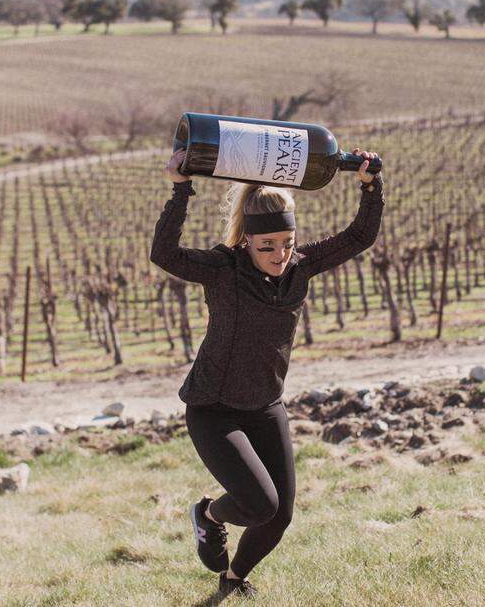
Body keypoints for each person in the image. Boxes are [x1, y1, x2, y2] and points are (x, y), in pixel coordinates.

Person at [150, 145, 384, 598]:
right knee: (260, 504)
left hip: (265, 404)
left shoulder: (300, 267)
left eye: (287, 244)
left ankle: (234, 581)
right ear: (247, 241)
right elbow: (165, 253)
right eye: (267, 247)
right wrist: (180, 189)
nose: (279, 255)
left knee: (281, 513)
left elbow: (359, 237)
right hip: (214, 409)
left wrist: (372, 186)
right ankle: (210, 516)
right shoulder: (223, 268)